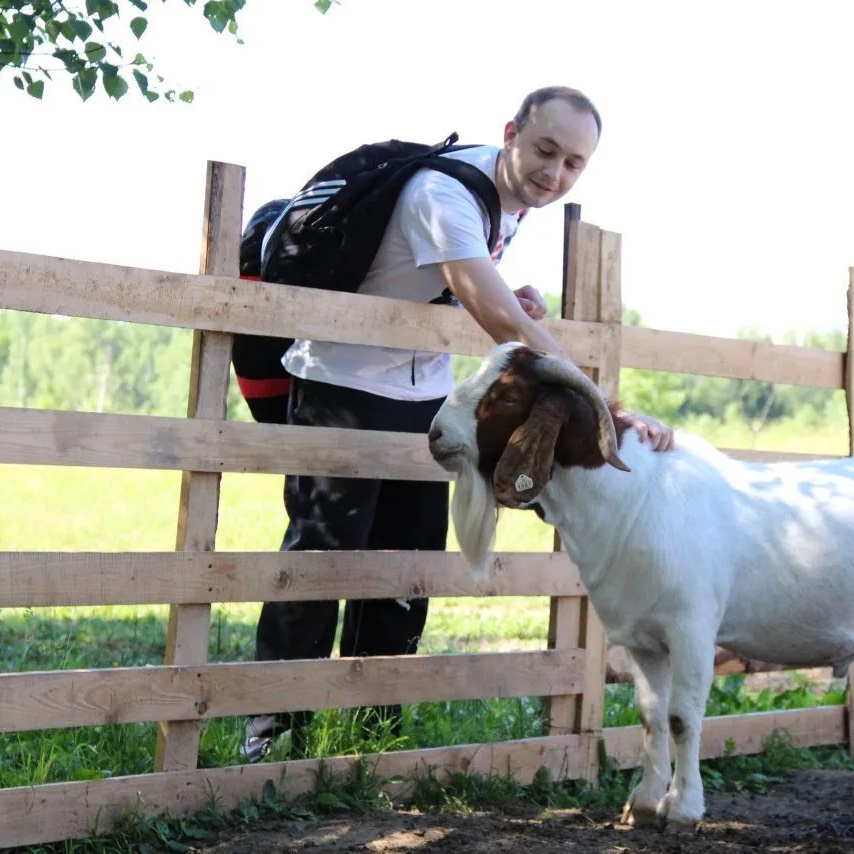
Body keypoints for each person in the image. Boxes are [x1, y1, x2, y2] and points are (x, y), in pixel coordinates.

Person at [241, 85, 675, 762]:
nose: (554, 173)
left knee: (409, 565)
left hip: (425, 394)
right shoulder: (443, 193)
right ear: (511, 134)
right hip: (341, 382)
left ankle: (370, 734)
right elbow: (501, 321)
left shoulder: (510, 201)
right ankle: (270, 735)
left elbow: (453, 284)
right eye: (545, 150)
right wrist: (606, 407)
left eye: (574, 163)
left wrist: (502, 293)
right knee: (324, 557)